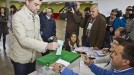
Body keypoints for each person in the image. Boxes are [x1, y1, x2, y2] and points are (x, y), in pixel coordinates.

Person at [9, 0, 59, 75]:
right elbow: (23, 39)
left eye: (40, 5)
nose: (38, 7)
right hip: (21, 60)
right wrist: (46, 45)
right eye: (36, 4)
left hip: (32, 58)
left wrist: (45, 48)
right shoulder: (18, 17)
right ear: (27, 2)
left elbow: (37, 35)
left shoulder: (36, 17)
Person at [52, 42, 134, 75]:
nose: (111, 55)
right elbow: (104, 73)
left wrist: (62, 69)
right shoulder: (120, 69)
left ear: (125, 62)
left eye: (115, 54)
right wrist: (90, 64)